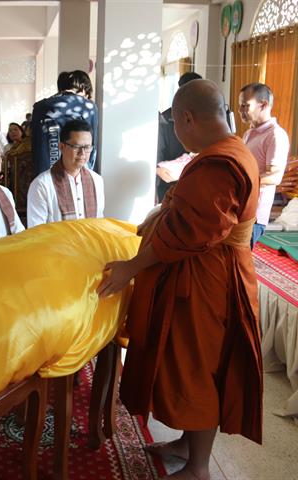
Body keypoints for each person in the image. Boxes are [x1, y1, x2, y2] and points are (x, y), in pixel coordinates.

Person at [97, 79, 262, 480]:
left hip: (210, 281)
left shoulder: (221, 163)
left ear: (187, 118)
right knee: (188, 361)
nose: (177, 135)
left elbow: (188, 232)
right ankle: (188, 444)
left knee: (198, 368)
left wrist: (130, 268)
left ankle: (199, 467)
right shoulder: (229, 150)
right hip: (204, 272)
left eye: (176, 125)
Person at [238, 83, 290, 247]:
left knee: (239, 262)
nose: (241, 111)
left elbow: (275, 176)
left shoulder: (275, 135)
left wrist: (242, 182)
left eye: (246, 106)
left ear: (264, 104)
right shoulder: (249, 133)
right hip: (240, 209)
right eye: (240, 106)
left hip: (254, 215)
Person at [27, 120, 104, 227]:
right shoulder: (41, 185)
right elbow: (35, 232)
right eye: (76, 147)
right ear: (62, 147)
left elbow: (99, 222)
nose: (82, 153)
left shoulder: (97, 180)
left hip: (90, 242)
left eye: (87, 147)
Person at [31, 70, 98, 175]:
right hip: (78, 170)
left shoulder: (39, 107)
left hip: (45, 170)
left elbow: (35, 144)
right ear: (83, 88)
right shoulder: (88, 107)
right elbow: (92, 145)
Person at [156, 72, 202, 202]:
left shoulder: (205, 118)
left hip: (197, 185)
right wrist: (158, 171)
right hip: (170, 187)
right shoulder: (165, 119)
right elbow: (157, 156)